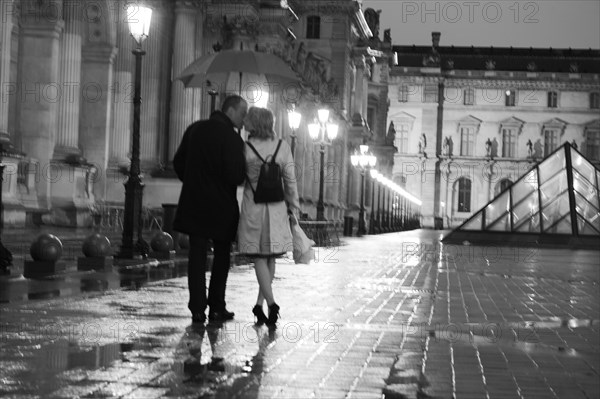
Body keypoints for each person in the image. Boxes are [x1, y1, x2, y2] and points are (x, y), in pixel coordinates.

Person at [173, 95, 248, 324]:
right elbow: (236, 176)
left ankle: (197, 308)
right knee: (222, 256)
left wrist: (193, 180)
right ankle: (217, 306)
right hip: (222, 207)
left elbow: (178, 162)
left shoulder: (195, 129)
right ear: (231, 111)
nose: (244, 120)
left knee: (196, 255)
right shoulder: (234, 141)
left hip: (194, 202)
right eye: (243, 114)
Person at [237, 107, 300, 327]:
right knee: (270, 256)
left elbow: (237, 179)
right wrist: (294, 207)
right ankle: (259, 304)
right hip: (276, 209)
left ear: (255, 123)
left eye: (248, 120)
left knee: (259, 257)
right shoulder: (283, 147)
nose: (244, 123)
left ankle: (271, 304)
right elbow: (290, 181)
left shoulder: (245, 148)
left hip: (253, 207)